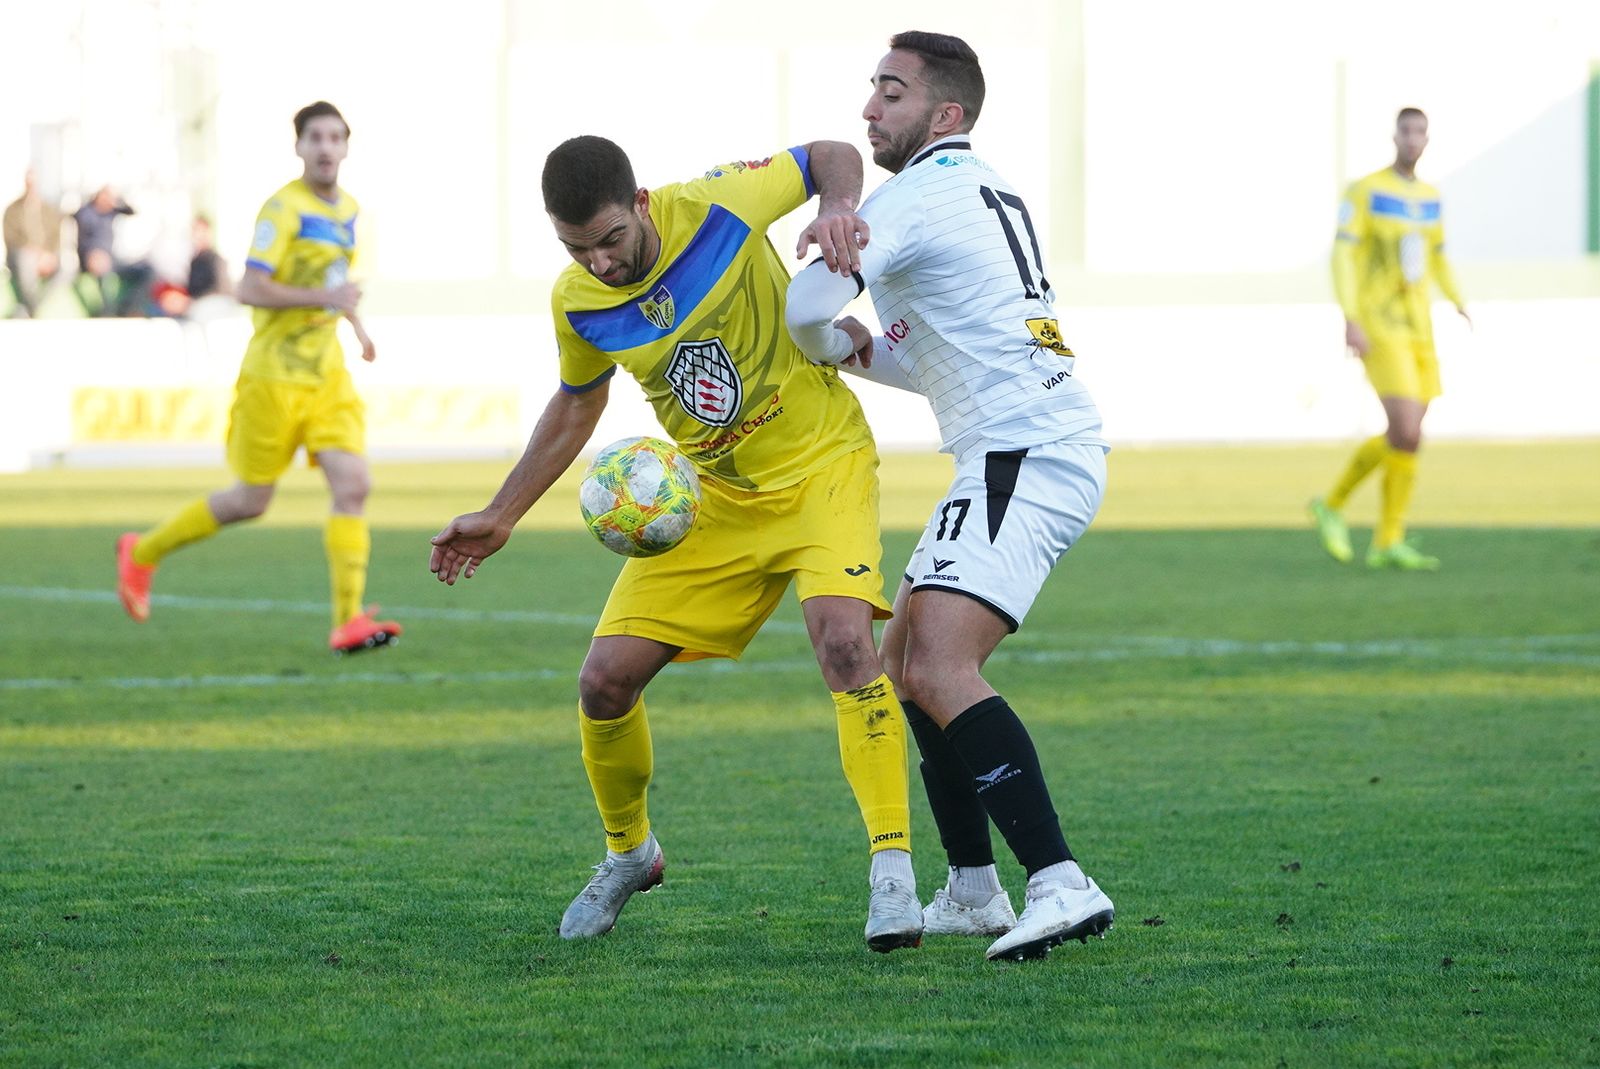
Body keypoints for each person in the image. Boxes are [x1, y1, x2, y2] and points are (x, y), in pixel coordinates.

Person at [428, 134, 923, 951]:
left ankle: (893, 870)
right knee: (602, 683)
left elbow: (829, 153)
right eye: (576, 247)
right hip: (711, 499)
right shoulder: (578, 299)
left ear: (644, 204)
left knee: (842, 640)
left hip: (820, 467)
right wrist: (503, 510)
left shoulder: (721, 203)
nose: (601, 262)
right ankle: (631, 852)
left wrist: (838, 205)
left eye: (611, 239)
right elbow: (577, 403)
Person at [784, 30, 1115, 961]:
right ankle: (973, 890)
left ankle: (1058, 879)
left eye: (890, 92)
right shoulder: (977, 186)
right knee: (905, 669)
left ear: (945, 114)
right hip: (1015, 446)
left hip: (1026, 452)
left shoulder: (918, 196)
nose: (869, 109)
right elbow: (945, 357)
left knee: (936, 668)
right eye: (871, 89)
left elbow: (802, 307)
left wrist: (822, 329)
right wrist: (859, 349)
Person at [116, 101, 401, 654]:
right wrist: (326, 298)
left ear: (346, 147)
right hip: (272, 376)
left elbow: (338, 282)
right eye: (314, 137)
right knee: (250, 500)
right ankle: (143, 552)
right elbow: (248, 288)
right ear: (298, 147)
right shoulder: (282, 209)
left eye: (335, 138)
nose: (325, 147)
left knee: (354, 484)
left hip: (327, 374)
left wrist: (358, 329)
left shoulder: (351, 212)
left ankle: (346, 621)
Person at [1310, 107, 1468, 571]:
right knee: (1405, 430)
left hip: (1420, 326)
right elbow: (1342, 255)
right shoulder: (1366, 191)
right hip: (1380, 324)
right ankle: (1334, 504)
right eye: (1407, 130)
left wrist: (1459, 300)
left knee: (1408, 439)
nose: (1414, 139)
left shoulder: (1431, 197)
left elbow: (1437, 257)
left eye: (1421, 131)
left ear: (1428, 138)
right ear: (1394, 136)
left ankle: (1387, 540)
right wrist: (1351, 317)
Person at [73, 185, 152, 317]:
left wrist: (118, 201)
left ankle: (127, 309)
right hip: (93, 259)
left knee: (146, 271)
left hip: (110, 258)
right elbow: (82, 241)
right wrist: (91, 256)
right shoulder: (87, 212)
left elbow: (131, 211)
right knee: (103, 274)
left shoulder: (112, 211)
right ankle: (106, 313)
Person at [4, 169, 64, 317]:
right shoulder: (13, 209)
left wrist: (48, 254)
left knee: (67, 267)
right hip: (23, 253)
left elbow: (56, 235)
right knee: (26, 262)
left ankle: (31, 306)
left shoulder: (48, 210)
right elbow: (10, 237)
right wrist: (33, 251)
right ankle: (32, 308)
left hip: (45, 255)